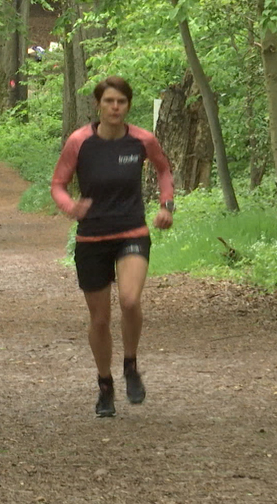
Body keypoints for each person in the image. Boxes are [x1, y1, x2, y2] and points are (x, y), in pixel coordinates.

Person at [50, 76, 175, 417]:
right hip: (91, 238)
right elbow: (58, 184)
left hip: (131, 231)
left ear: (128, 106)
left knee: (131, 300)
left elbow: (164, 170)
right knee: (100, 319)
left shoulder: (141, 140)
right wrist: (70, 207)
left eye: (121, 102)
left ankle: (130, 365)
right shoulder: (80, 142)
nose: (115, 107)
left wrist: (166, 205)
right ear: (98, 105)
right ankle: (105, 384)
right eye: (109, 102)